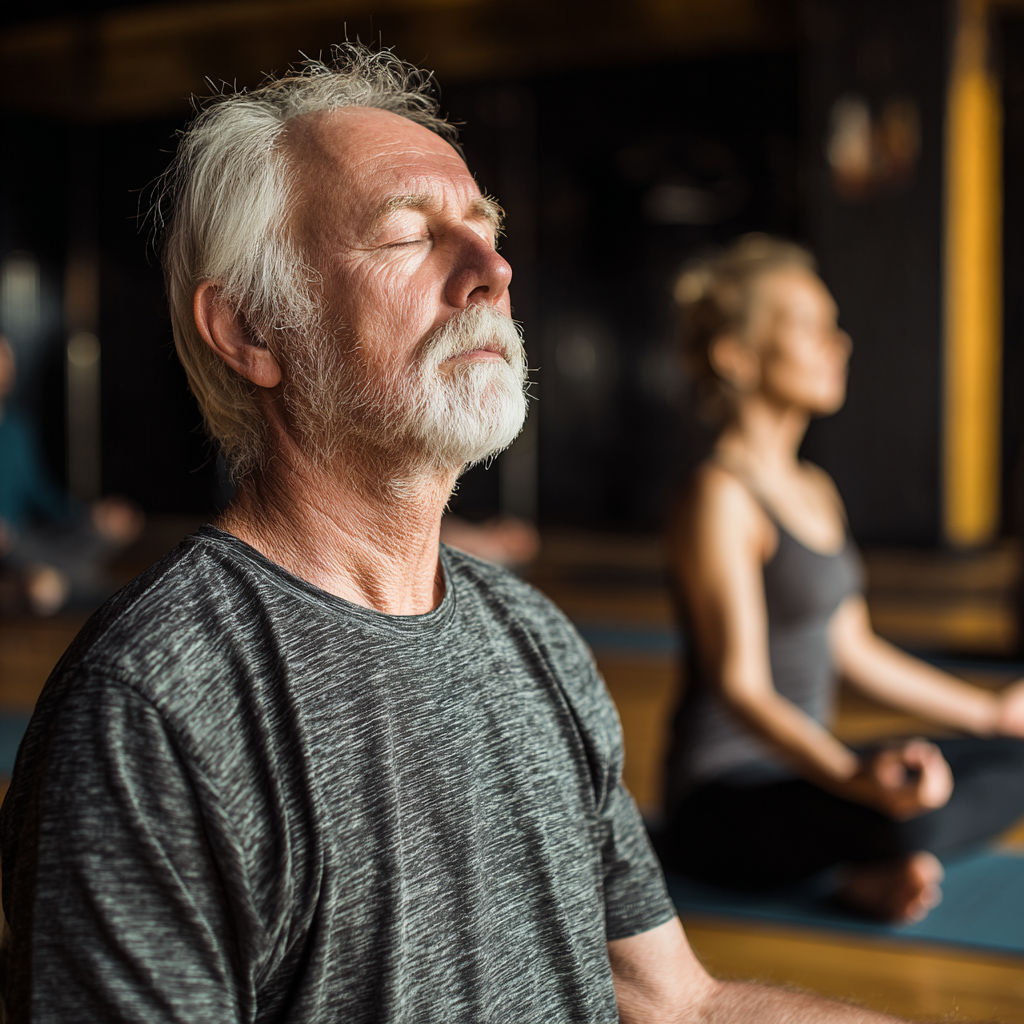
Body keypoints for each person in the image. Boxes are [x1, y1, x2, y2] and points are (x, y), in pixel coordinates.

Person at [1, 49, 907, 1023]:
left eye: (484, 229)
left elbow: (675, 1003)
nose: (492, 270)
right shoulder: (152, 710)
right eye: (405, 237)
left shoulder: (534, 638)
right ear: (254, 329)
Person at [660, 234, 1024, 924]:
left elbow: (852, 648)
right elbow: (741, 686)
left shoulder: (815, 489)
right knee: (906, 820)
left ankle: (864, 865)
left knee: (1012, 760)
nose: (840, 344)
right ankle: (863, 867)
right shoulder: (719, 495)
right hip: (726, 796)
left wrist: (988, 714)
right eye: (810, 328)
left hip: (809, 769)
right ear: (733, 356)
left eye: (835, 325)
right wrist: (852, 777)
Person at [0, 334, 142, 615]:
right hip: (11, 547)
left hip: (30, 540)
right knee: (29, 554)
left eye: (6, 359)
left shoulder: (18, 429)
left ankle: (47, 581)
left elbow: (41, 493)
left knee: (104, 532)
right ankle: (97, 589)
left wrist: (90, 516)